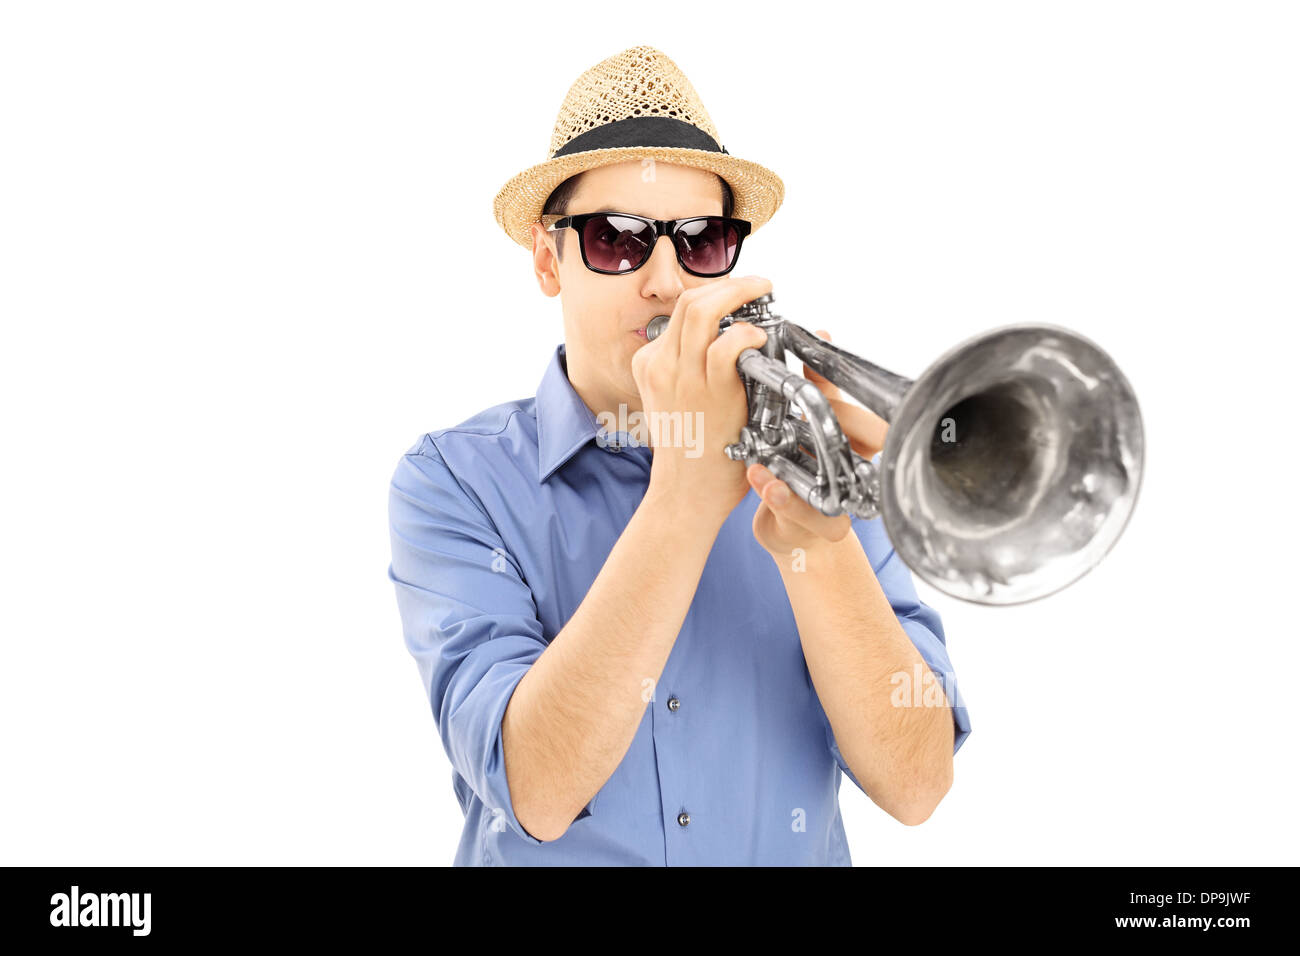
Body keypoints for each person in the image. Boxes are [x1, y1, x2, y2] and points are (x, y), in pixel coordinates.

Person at [387, 45, 971, 866]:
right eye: (617, 239)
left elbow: (917, 786)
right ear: (548, 259)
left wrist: (819, 546)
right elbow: (536, 789)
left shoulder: (813, 461)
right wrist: (685, 497)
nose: (665, 282)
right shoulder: (454, 480)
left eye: (701, 241)